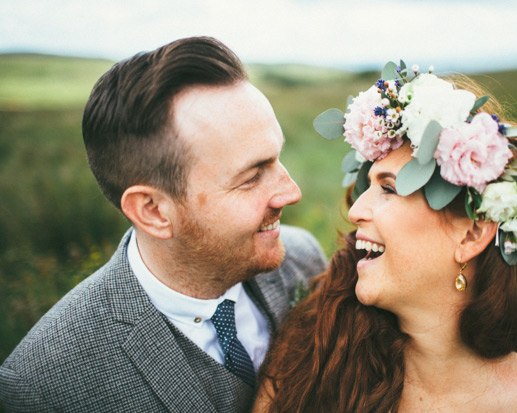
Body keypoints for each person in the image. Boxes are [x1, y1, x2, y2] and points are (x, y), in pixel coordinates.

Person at [254, 63, 517, 412]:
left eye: (390, 189)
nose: (355, 212)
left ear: (473, 232)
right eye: (368, 185)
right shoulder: (311, 353)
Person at [0, 37, 327, 412]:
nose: (292, 192)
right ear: (153, 211)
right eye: (252, 176)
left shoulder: (304, 262)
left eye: (276, 158)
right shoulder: (45, 385)